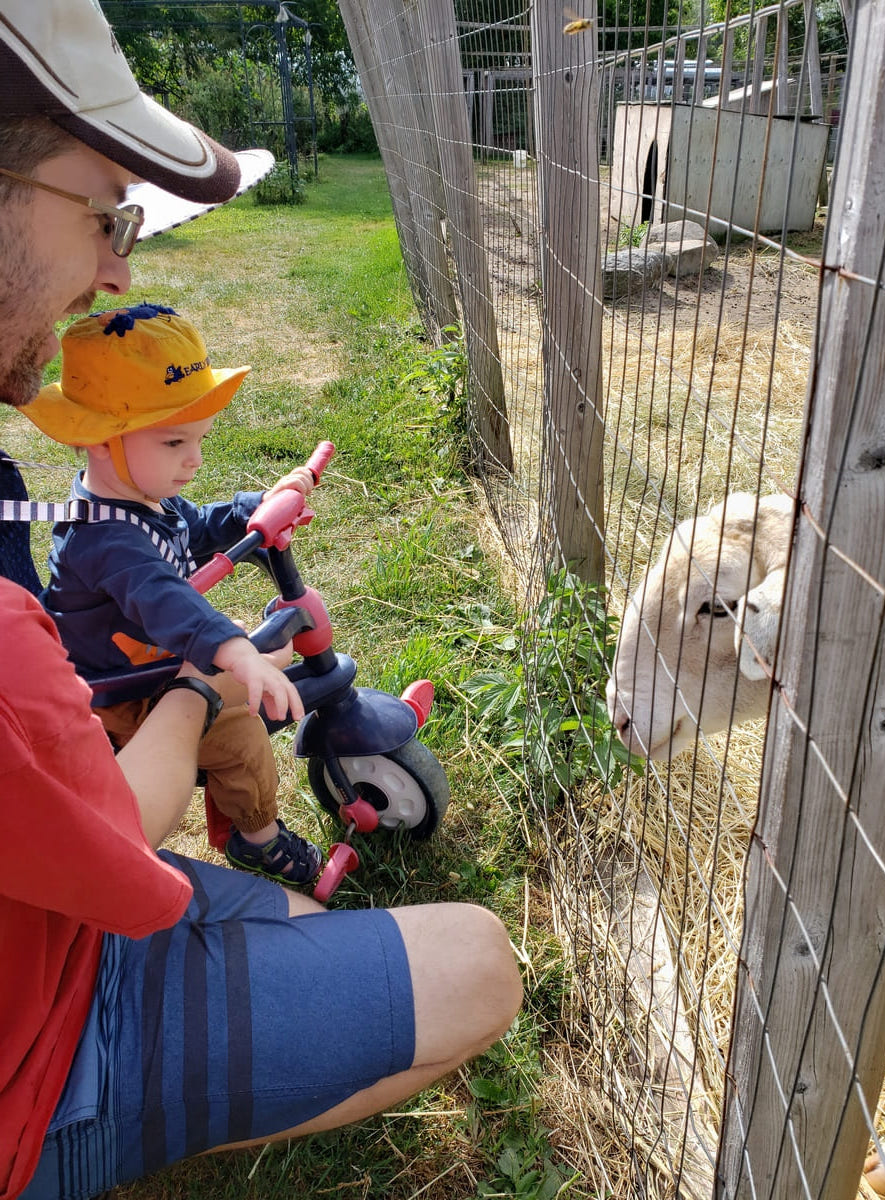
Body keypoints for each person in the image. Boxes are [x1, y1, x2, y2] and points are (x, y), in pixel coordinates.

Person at [0, 5, 523, 1200]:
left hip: (62, 936)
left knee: (296, 911)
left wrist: (254, 504)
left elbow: (186, 526)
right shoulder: (67, 577)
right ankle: (237, 873)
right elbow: (127, 791)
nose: (117, 265)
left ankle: (258, 886)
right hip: (47, 1059)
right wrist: (215, 661)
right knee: (469, 949)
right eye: (103, 212)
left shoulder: (56, 512)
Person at [26, 302, 323, 887]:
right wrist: (231, 650)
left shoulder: (142, 498)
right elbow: (164, 597)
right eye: (173, 443)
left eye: (200, 439)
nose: (195, 459)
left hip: (159, 655)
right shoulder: (104, 542)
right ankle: (257, 837)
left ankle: (244, 684)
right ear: (102, 442)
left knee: (267, 657)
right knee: (242, 734)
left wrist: (250, 510)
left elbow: (196, 524)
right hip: (120, 693)